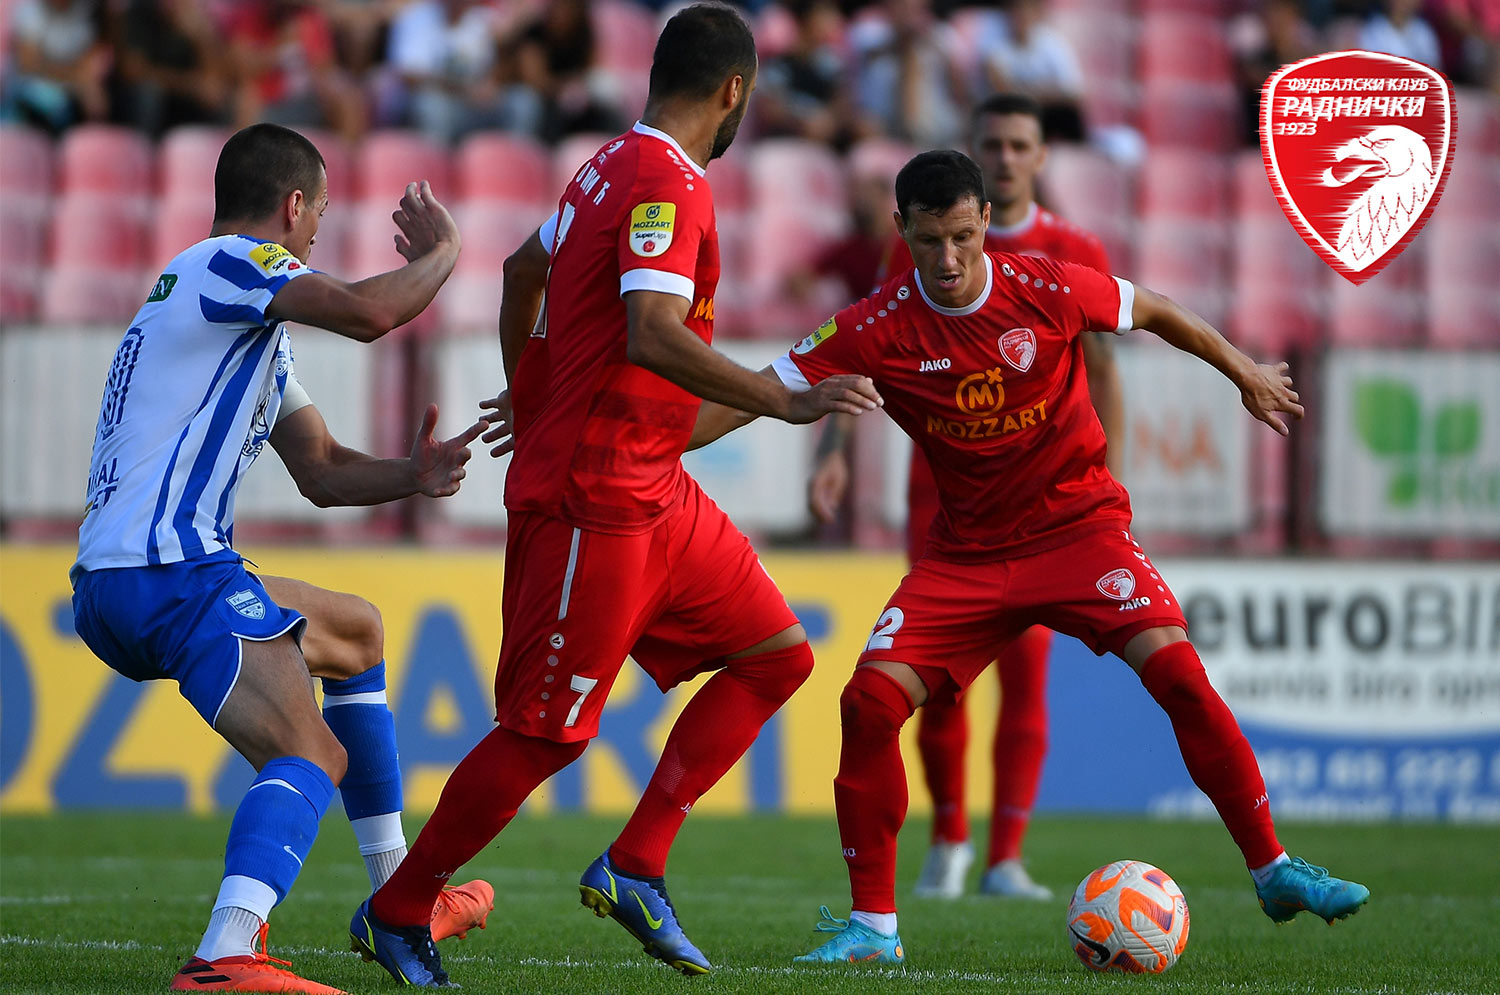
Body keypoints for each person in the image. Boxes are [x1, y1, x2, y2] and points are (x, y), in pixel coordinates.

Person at [694, 150, 1369, 964]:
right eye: (929, 242)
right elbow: (750, 392)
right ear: (901, 230)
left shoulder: (1045, 286)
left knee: (1182, 676)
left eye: (963, 238)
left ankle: (1273, 868)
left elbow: (1154, 310)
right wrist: (640, 445)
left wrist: (1245, 372)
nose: (948, 261)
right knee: (868, 704)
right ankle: (874, 927)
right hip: (968, 558)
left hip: (1079, 533)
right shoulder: (876, 323)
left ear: (985, 223)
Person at [347, 4, 882, 987]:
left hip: (654, 484)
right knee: (547, 732)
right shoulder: (665, 180)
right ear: (734, 92)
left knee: (776, 653)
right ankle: (397, 904)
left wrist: (538, 389)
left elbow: (525, 270)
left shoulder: (603, 167)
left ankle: (636, 861)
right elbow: (652, 330)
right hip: (598, 496)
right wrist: (780, 396)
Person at [70, 122, 492, 994]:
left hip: (142, 573)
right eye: (320, 218)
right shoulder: (229, 263)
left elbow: (324, 472)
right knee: (311, 756)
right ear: (294, 207)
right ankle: (226, 953)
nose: (317, 239)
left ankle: (397, 896)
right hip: (166, 574)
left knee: (357, 630)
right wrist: (449, 249)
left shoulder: (239, 313)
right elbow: (375, 313)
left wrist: (411, 475)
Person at [808, 92, 1124, 902]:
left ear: (1040, 158)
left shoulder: (1068, 248)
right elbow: (865, 349)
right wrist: (835, 450)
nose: (1011, 155)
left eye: (1022, 144)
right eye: (996, 143)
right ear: (981, 160)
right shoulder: (919, 247)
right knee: (939, 674)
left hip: (1053, 505)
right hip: (943, 495)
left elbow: (1106, 373)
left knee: (1028, 672)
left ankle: (1004, 856)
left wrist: (1106, 485)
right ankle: (949, 838)